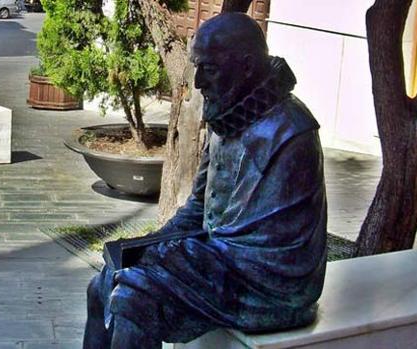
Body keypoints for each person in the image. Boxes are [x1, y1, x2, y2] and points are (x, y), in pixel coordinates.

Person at [83, 12, 327, 349]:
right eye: (197, 68)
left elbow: (269, 255)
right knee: (101, 285)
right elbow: (199, 207)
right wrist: (154, 242)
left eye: (209, 70)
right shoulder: (229, 115)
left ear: (245, 67)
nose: (198, 83)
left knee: (134, 296)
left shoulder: (289, 131)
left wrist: (178, 254)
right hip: (221, 262)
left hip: (271, 286)